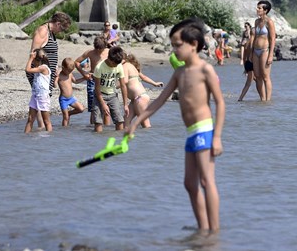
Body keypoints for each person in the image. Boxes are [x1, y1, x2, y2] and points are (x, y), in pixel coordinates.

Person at [125, 18, 225, 232]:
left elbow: (220, 103)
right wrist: (136, 122)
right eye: (173, 45)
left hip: (205, 130)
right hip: (191, 133)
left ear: (194, 45)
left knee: (207, 181)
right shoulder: (179, 73)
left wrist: (217, 137)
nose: (174, 50)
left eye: (178, 45)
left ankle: (213, 233)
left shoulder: (205, 70)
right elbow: (159, 100)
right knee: (190, 184)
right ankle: (203, 227)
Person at [28, 12, 72, 98]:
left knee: (41, 100)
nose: (61, 32)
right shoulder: (43, 31)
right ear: (58, 24)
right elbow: (34, 53)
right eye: (62, 29)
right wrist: (42, 71)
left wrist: (54, 67)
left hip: (47, 73)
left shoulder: (51, 32)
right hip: (41, 74)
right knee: (42, 100)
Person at [74, 35, 110, 126]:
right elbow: (77, 62)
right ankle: (92, 129)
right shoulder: (90, 53)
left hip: (105, 81)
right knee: (94, 108)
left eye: (100, 49)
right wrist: (84, 74)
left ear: (105, 46)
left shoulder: (109, 52)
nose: (98, 51)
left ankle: (106, 129)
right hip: (93, 80)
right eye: (96, 48)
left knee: (106, 107)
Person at [122, 53, 164, 129]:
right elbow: (143, 77)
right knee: (126, 120)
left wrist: (112, 86)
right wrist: (154, 83)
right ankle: (127, 138)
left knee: (145, 124)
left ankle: (150, 139)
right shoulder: (132, 67)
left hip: (140, 98)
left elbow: (124, 81)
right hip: (135, 100)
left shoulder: (125, 66)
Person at [93, 45, 129, 132]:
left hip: (113, 95)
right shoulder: (99, 67)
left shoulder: (119, 66)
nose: (115, 66)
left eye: (117, 64)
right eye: (114, 64)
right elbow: (97, 88)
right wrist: (103, 104)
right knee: (98, 122)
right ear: (109, 58)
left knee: (120, 121)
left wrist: (125, 104)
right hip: (100, 95)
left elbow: (123, 86)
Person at [251, 0, 277, 101]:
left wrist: (271, 55)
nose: (257, 9)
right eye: (257, 7)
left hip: (264, 51)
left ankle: (268, 100)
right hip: (255, 51)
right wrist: (251, 53)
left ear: (265, 10)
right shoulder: (257, 21)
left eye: (259, 8)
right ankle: (262, 99)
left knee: (265, 76)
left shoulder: (269, 22)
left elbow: (272, 39)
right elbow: (255, 37)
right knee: (257, 76)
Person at [25, 49, 53, 133]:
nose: (32, 63)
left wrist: (30, 58)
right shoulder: (39, 68)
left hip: (43, 96)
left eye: (33, 61)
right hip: (35, 95)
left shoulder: (43, 68)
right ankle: (25, 136)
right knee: (30, 118)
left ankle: (48, 138)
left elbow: (28, 70)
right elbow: (28, 69)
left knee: (46, 120)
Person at [57, 57, 86, 126]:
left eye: (71, 71)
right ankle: (64, 131)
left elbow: (75, 81)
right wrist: (55, 77)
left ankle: (69, 113)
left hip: (71, 98)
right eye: (68, 71)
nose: (70, 72)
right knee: (65, 118)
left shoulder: (70, 74)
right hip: (63, 99)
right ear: (63, 68)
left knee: (81, 109)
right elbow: (55, 85)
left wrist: (84, 78)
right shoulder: (59, 75)